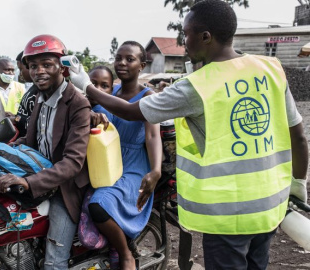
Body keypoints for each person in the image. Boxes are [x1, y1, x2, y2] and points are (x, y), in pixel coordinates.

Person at [69, 1, 309, 269]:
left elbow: (132, 111)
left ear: (205, 37)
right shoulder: (271, 69)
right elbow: (298, 136)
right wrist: (299, 183)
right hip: (270, 206)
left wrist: (86, 86)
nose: (184, 41)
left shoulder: (197, 86)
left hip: (229, 214)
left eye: (186, 33)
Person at [0, 34, 91, 270]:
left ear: (62, 67)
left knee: (53, 262)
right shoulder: (39, 98)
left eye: (47, 64)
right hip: (41, 176)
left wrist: (28, 181)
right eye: (34, 66)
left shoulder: (77, 103)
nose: (39, 71)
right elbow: (33, 141)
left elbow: (73, 162)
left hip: (65, 188)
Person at [80, 43, 162, 270]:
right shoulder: (108, 90)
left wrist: (155, 171)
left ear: (142, 65)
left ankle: (125, 253)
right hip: (103, 161)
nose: (122, 63)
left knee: (99, 205)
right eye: (118, 58)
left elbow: (153, 136)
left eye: (130, 59)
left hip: (131, 166)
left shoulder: (149, 95)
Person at [14, 51, 37, 138]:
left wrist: (15, 118)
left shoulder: (37, 93)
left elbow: (31, 123)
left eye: (21, 69)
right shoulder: (32, 89)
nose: (20, 74)